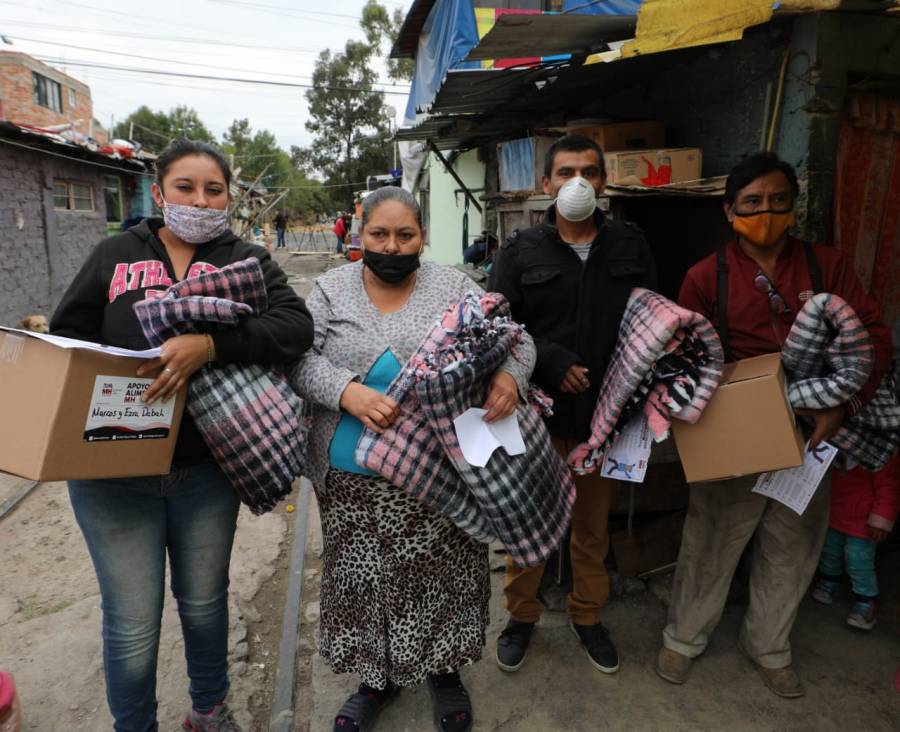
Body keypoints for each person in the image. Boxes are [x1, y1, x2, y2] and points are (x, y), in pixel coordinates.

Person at [50, 139, 314, 732]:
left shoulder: (243, 258)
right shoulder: (114, 255)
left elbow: (295, 327)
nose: (199, 200)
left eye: (213, 190)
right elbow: (67, 339)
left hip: (206, 473)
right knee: (133, 619)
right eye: (186, 188)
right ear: (159, 190)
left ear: (229, 196)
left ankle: (209, 711)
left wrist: (212, 345)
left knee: (203, 603)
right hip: (112, 473)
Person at [292, 186, 535, 732]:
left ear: (422, 237)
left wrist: (508, 377)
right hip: (351, 475)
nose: (392, 246)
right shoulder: (330, 292)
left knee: (443, 576)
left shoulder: (454, 287)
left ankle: (443, 671)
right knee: (364, 582)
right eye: (380, 234)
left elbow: (518, 341)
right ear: (360, 234)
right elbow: (297, 359)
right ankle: (375, 681)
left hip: (440, 472)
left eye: (406, 235)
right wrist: (346, 392)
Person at [657, 151, 892, 698]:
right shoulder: (702, 278)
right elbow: (682, 358)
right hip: (738, 430)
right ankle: (683, 638)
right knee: (711, 538)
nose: (766, 213)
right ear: (730, 211)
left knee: (793, 542)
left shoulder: (825, 267)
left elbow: (874, 338)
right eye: (753, 203)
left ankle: (769, 646)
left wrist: (842, 407)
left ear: (794, 207)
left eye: (778, 201)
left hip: (815, 431)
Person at [489, 134, 657, 676]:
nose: (577, 182)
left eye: (588, 171)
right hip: (537, 416)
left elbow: (651, 322)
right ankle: (521, 616)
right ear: (546, 185)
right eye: (565, 173)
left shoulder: (630, 246)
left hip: (604, 419)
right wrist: (549, 361)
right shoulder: (519, 252)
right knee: (529, 523)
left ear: (604, 182)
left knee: (591, 529)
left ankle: (588, 616)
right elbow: (497, 329)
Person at [811, 451, 898, 629]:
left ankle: (865, 602)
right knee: (829, 551)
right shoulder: (835, 445)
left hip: (864, 522)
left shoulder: (880, 450)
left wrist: (881, 520)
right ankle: (828, 581)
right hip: (835, 512)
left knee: (858, 560)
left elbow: (890, 486)